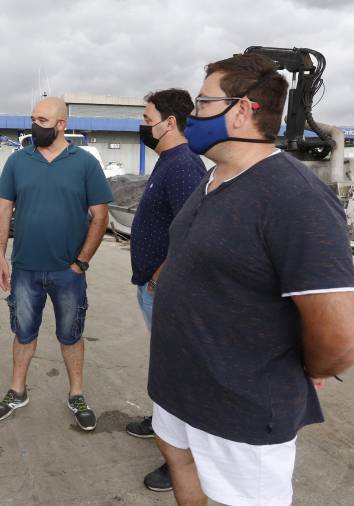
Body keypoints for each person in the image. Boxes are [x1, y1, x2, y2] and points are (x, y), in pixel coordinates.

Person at [148, 53, 354, 506]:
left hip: (241, 406)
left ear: (243, 109)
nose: (193, 114)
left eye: (204, 102)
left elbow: (342, 337)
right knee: (177, 456)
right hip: (181, 387)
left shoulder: (294, 198)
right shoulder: (212, 179)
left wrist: (313, 367)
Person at [0, 97, 113, 431]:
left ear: (61, 124)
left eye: (42, 120)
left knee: (71, 335)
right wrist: (0, 255)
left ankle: (77, 394)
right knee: (23, 332)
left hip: (68, 271)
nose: (34, 126)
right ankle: (17, 391)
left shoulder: (84, 163)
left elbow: (100, 216)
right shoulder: (18, 161)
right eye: (32, 119)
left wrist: (81, 262)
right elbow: (2, 209)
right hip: (25, 268)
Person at [123, 89, 206, 493]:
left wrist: (159, 276)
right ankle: (163, 425)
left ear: (169, 122)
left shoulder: (184, 166)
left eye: (146, 116)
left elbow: (191, 232)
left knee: (177, 373)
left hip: (166, 289)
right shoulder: (168, 162)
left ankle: (178, 459)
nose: (142, 124)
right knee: (164, 366)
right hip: (155, 286)